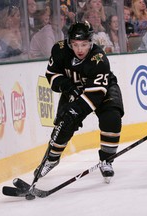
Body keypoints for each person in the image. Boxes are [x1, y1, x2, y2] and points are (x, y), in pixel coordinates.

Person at [34, 21, 124, 182]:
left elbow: (95, 95)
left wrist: (76, 110)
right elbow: (52, 75)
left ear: (90, 42)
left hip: (102, 89)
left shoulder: (99, 59)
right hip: (74, 88)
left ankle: (107, 160)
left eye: (83, 44)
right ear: (69, 43)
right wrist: (67, 86)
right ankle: (51, 159)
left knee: (111, 118)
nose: (80, 49)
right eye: (75, 45)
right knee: (64, 122)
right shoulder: (60, 50)